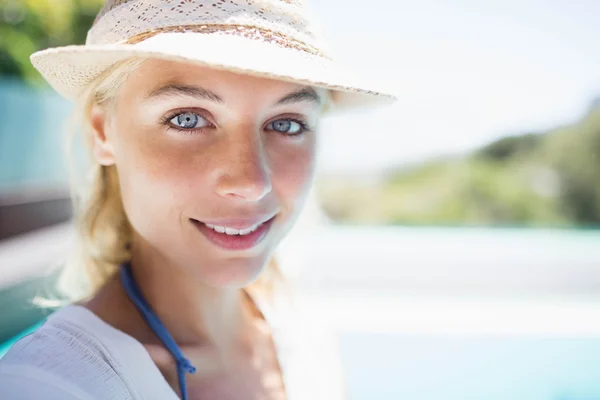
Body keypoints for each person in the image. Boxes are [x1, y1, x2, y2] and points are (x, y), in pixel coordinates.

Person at [0, 0, 395, 399]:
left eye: (286, 123)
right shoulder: (47, 385)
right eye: (186, 119)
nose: (251, 182)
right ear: (103, 133)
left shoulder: (304, 334)